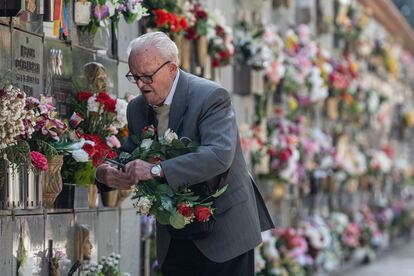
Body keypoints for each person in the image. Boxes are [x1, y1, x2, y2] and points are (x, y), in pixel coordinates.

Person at [95, 31, 274, 275]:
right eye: (134, 76)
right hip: (174, 231)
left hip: (224, 230)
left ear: (171, 68)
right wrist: (106, 174)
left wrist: (156, 170)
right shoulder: (138, 108)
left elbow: (219, 155)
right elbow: (130, 153)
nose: (140, 84)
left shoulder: (210, 96)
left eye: (147, 75)